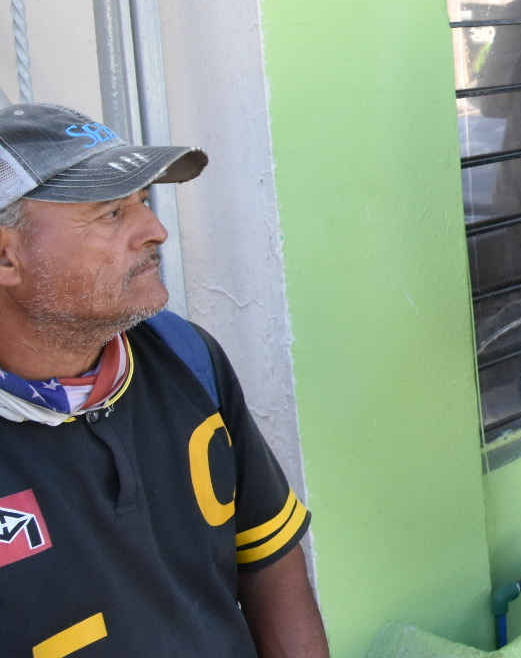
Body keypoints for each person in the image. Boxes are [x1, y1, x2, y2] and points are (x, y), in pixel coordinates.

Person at [0, 103, 328, 657]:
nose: (155, 231)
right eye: (111, 213)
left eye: (144, 202)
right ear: (7, 258)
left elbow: (270, 563)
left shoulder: (186, 356)